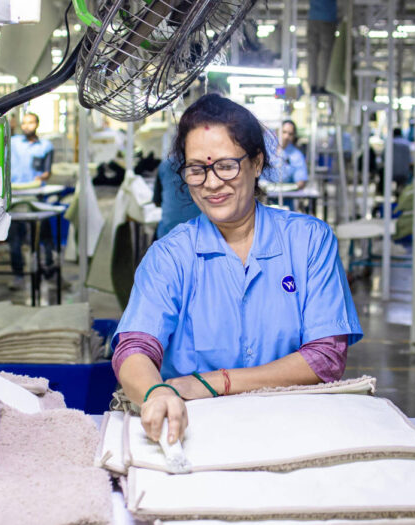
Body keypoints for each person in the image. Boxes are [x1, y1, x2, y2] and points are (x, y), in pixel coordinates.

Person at [111, 94, 363, 444]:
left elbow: (325, 359)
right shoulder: (169, 256)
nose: (212, 183)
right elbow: (135, 346)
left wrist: (214, 382)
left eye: (226, 166)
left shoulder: (308, 242)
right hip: (192, 429)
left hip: (296, 429)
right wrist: (157, 394)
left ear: (256, 163)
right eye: (197, 169)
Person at [7, 112, 56, 290]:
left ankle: (48, 268)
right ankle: (18, 275)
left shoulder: (45, 146)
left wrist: (42, 177)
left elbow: (47, 172)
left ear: (37, 124)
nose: (27, 126)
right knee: (15, 238)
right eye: (24, 123)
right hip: (15, 197)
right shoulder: (13, 143)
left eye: (31, 122)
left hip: (36, 195)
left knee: (43, 235)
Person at [152, 156, 201, 239]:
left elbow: (157, 202)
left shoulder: (164, 165)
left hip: (166, 235)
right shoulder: (206, 165)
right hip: (199, 237)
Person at [307, 0, 338, 94]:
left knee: (312, 53)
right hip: (327, 17)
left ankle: (313, 85)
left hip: (312, 17)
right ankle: (323, 86)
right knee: (326, 53)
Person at [277, 120, 309, 190]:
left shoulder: (297, 156)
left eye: (290, 134)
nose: (286, 136)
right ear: (278, 132)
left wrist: (288, 188)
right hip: (263, 197)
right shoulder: (267, 150)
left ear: (294, 136)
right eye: (284, 132)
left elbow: (301, 182)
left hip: (286, 198)